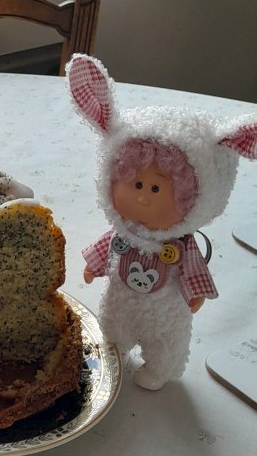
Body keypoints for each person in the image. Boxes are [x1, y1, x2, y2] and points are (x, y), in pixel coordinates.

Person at [68, 54, 257, 389]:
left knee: (165, 340)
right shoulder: (123, 235)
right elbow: (107, 247)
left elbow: (193, 270)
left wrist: (195, 293)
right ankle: (115, 348)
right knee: (113, 327)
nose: (142, 198)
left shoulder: (181, 246)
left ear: (197, 197)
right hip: (120, 302)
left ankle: (159, 368)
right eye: (135, 183)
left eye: (156, 188)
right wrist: (93, 266)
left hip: (164, 310)